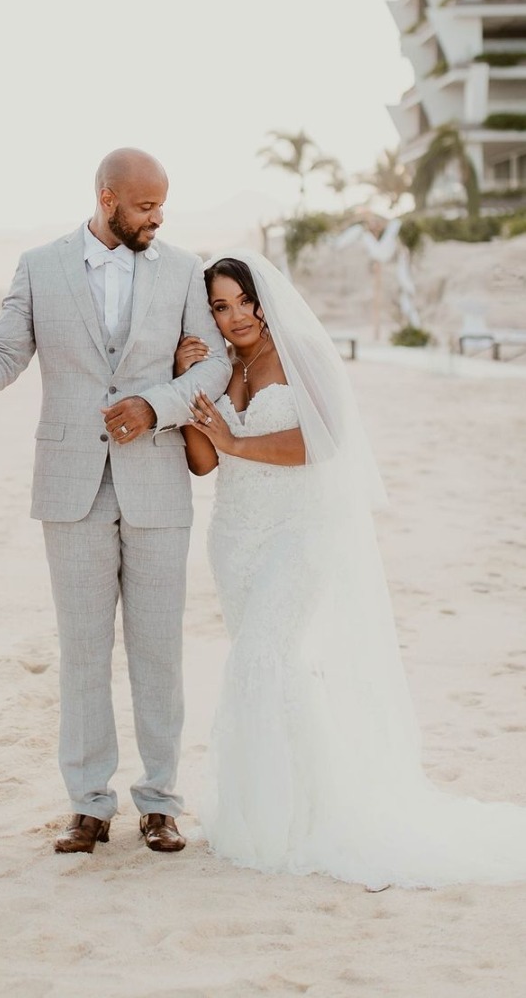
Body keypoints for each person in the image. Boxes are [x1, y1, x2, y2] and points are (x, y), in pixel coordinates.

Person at [0, 149, 230, 854]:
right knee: (83, 652)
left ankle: (160, 802)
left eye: (163, 206)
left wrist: (156, 405)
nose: (159, 217)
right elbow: (2, 354)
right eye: (146, 206)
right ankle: (88, 804)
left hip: (157, 482)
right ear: (108, 198)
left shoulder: (183, 268)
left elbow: (214, 360)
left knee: (159, 653)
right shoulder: (40, 266)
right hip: (70, 486)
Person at [177, 248, 526, 889]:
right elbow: (204, 462)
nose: (235, 317)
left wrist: (236, 441)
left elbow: (323, 441)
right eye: (220, 307)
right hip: (235, 536)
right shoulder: (221, 367)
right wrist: (186, 381)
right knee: (267, 669)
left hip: (299, 533)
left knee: (267, 656)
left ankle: (312, 820)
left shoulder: (302, 355)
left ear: (264, 298)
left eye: (243, 301)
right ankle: (273, 811)